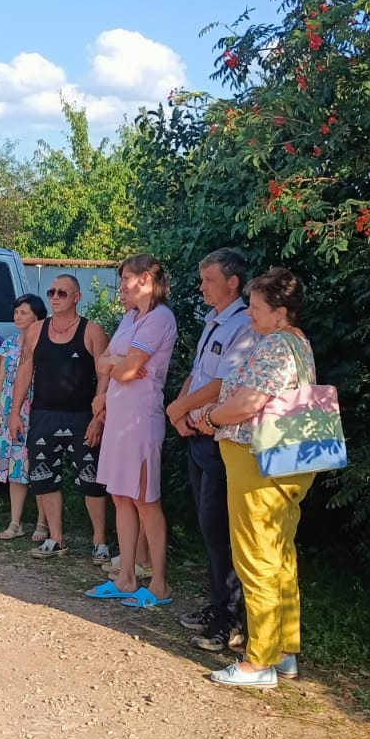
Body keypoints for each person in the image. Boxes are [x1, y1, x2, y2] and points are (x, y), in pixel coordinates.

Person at [189, 266, 316, 688]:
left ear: (280, 312)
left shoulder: (275, 345)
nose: (250, 314)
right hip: (288, 462)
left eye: (257, 308)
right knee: (280, 556)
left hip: (255, 461)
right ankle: (283, 651)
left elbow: (247, 402)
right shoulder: (298, 344)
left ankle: (257, 661)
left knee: (256, 557)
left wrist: (210, 416)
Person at [165, 248, 255, 652]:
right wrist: (180, 407)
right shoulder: (213, 321)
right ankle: (217, 602)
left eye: (209, 280)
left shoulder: (244, 324)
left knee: (220, 527)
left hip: (221, 436)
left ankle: (231, 618)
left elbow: (224, 383)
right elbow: (198, 371)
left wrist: (182, 406)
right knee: (208, 524)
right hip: (198, 432)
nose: (201, 287)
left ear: (232, 282)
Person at [84, 254, 178, 609]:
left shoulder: (160, 318)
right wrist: (114, 367)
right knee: (121, 497)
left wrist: (117, 367)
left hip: (141, 418)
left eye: (127, 279)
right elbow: (104, 362)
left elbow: (125, 371)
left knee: (144, 499)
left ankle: (158, 583)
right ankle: (125, 576)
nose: (121, 287)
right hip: (119, 417)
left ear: (147, 281)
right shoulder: (129, 318)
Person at [8, 274, 110, 562]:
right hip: (44, 414)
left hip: (81, 416)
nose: (55, 297)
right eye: (51, 292)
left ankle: (99, 542)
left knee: (91, 480)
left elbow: (105, 376)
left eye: (62, 293)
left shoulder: (92, 331)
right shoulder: (36, 330)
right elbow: (25, 372)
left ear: (77, 297)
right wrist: (15, 413)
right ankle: (56, 538)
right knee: (44, 478)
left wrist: (98, 416)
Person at [0, 293, 47, 541]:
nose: (18, 317)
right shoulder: (10, 343)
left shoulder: (46, 342)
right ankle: (15, 522)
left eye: (24, 312)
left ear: (37, 315)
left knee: (38, 465)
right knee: (14, 467)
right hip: (7, 409)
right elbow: (1, 378)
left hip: (35, 407)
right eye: (16, 313)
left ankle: (43, 524)